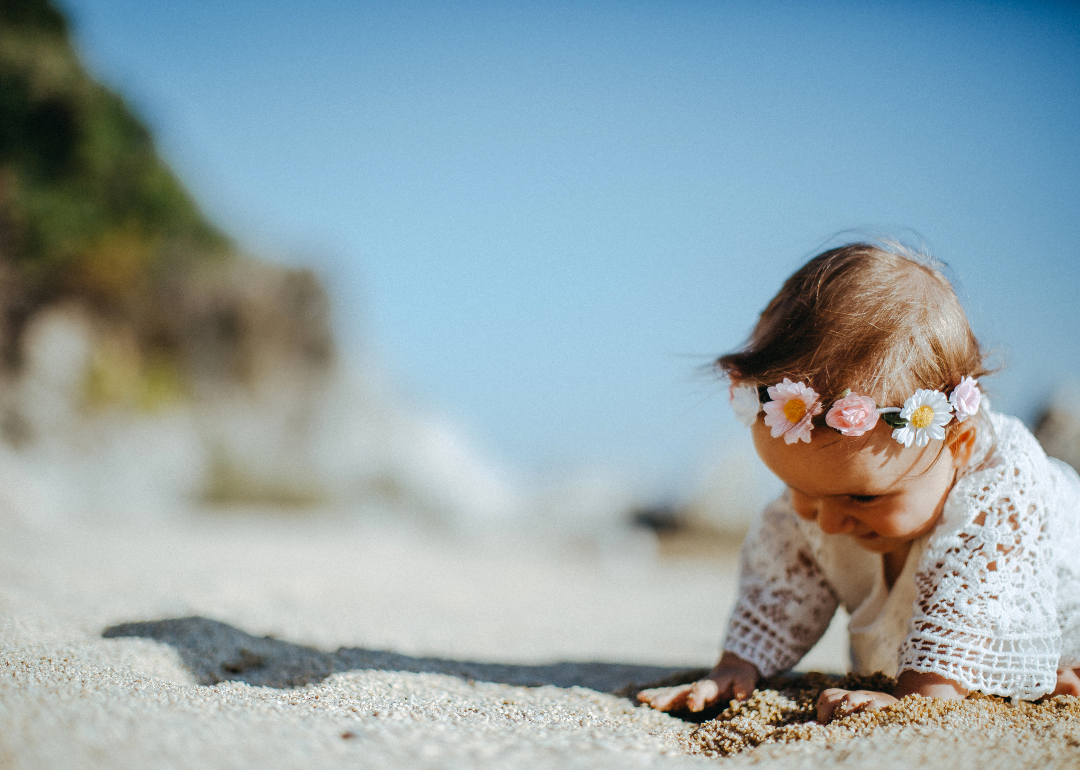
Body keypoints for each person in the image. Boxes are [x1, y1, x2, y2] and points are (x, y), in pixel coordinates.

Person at [638, 242, 1080, 723]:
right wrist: (739, 664)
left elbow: (975, 598)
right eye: (796, 490)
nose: (825, 521)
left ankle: (1043, 670)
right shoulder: (828, 497)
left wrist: (918, 696)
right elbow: (782, 579)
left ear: (958, 444)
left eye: (862, 496)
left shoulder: (1001, 484)